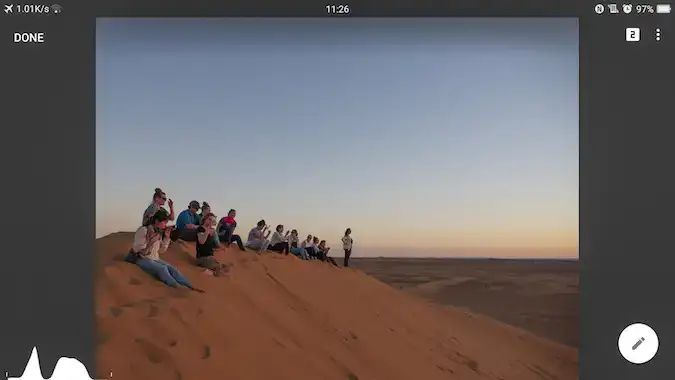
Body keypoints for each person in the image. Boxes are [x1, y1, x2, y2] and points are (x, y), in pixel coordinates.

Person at [124, 209, 204, 292]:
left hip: (154, 258)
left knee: (173, 269)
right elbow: (137, 249)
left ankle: (190, 286)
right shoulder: (144, 230)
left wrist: (166, 238)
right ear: (157, 221)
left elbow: (161, 250)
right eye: (164, 222)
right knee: (162, 269)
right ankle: (177, 286)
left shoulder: (158, 232)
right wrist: (151, 240)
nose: (165, 225)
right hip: (140, 258)